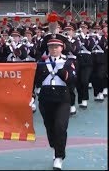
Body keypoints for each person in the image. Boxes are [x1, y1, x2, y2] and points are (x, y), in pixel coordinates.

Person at [35, 35, 76, 170]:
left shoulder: (68, 62)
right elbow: (33, 80)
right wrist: (30, 96)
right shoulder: (41, 63)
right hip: (46, 98)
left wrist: (60, 69)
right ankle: (54, 146)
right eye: (51, 46)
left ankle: (59, 157)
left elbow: (71, 79)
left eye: (56, 46)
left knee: (60, 127)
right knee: (50, 127)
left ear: (62, 48)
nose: (54, 49)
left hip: (62, 98)